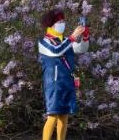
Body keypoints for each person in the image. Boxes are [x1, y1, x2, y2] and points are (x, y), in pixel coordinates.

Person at [38, 8, 90, 140]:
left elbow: (81, 49)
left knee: (64, 115)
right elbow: (56, 51)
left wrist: (85, 37)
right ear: (52, 24)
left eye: (63, 20)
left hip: (67, 82)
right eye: (59, 21)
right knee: (53, 115)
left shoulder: (66, 40)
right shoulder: (44, 41)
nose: (62, 23)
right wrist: (72, 38)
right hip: (53, 83)